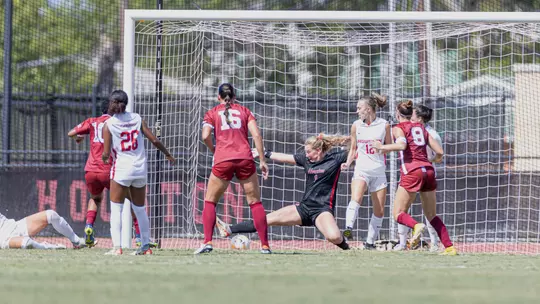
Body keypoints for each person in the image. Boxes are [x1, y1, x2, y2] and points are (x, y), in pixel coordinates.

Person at [216, 134, 352, 251]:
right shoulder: (306, 160)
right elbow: (286, 157)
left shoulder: (336, 158)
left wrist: (352, 137)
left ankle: (348, 249)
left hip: (322, 210)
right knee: (265, 220)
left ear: (318, 150)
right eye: (305, 152)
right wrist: (265, 153)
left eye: (309, 151)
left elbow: (355, 148)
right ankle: (229, 229)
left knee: (334, 237)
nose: (306, 154)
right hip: (303, 208)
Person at [68, 100, 157, 249]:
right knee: (133, 200)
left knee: (95, 199)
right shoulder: (115, 122)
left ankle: (89, 227)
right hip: (109, 169)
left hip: (90, 170)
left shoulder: (92, 121)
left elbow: (71, 133)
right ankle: (140, 236)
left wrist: (78, 138)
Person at [372, 100, 457, 255]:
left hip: (412, 172)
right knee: (431, 215)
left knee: (398, 213)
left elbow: (402, 146)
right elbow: (440, 152)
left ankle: (416, 226)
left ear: (398, 115)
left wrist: (381, 147)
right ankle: (450, 247)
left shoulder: (399, 128)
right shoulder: (420, 127)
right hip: (429, 171)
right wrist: (433, 160)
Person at [195, 83, 270, 255]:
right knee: (255, 202)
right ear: (235, 97)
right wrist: (263, 160)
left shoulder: (212, 112)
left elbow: (205, 135)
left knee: (210, 201)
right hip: (245, 158)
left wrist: (215, 150)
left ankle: (207, 242)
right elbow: (257, 135)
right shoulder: (245, 111)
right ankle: (265, 245)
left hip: (223, 159)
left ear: (218, 97)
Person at [101, 90, 175, 255]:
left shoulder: (109, 124)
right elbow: (154, 140)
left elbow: (106, 153)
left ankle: (117, 247)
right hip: (140, 169)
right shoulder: (137, 118)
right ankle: (145, 247)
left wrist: (105, 158)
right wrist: (168, 154)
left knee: (117, 209)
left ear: (112, 104)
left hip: (121, 169)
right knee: (140, 209)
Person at [341, 93, 391, 250]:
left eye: (359, 108)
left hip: (378, 172)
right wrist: (348, 163)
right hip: (361, 169)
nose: (357, 111)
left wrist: (381, 147)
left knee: (379, 210)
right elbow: (353, 148)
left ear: (368, 109)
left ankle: (369, 242)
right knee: (356, 198)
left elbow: (389, 147)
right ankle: (348, 228)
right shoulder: (356, 125)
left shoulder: (384, 125)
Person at [394, 104, 442, 252]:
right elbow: (440, 154)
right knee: (424, 211)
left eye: (413, 114)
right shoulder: (423, 131)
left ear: (419, 118)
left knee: (404, 210)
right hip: (425, 172)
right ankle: (406, 242)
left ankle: (428, 242)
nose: (410, 117)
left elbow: (438, 155)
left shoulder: (427, 133)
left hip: (415, 172)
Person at [0, 210, 86, 249]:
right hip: (3, 238)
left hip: (11, 225)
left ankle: (76, 241)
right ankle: (48, 247)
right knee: (28, 243)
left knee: (51, 215)